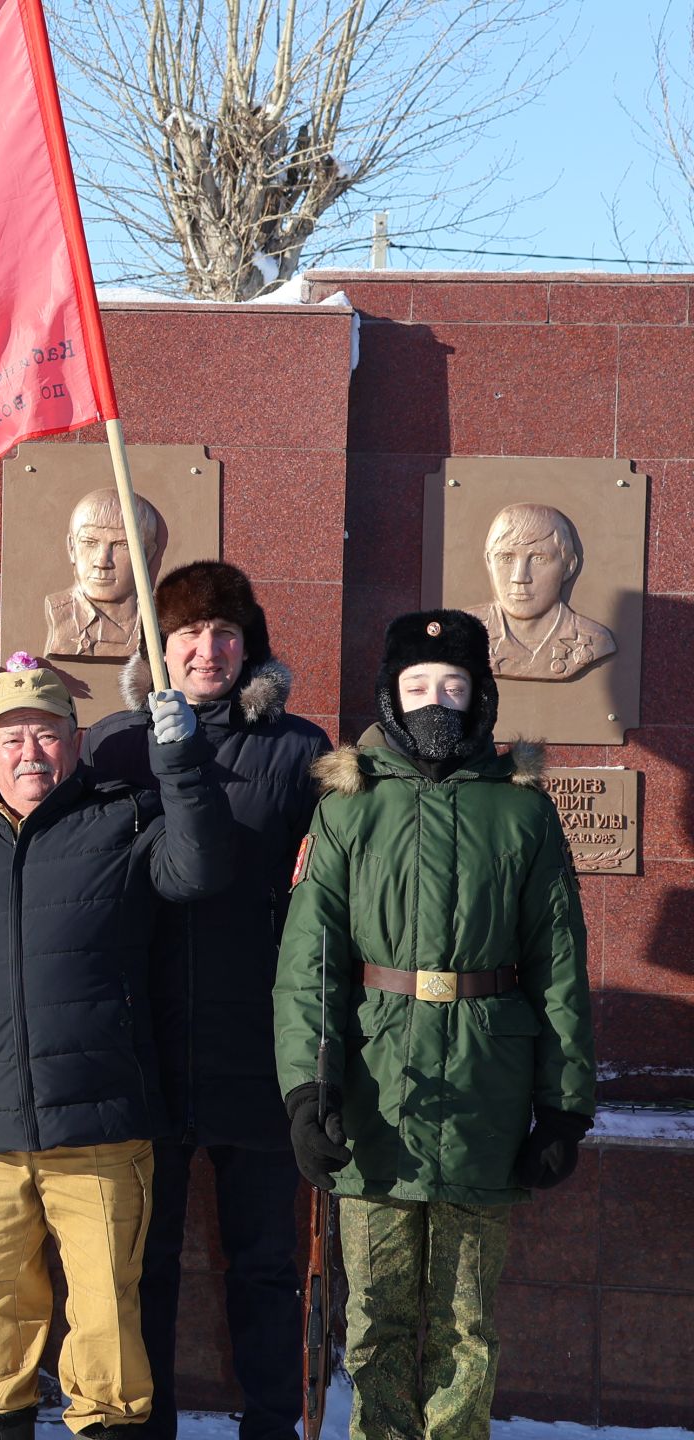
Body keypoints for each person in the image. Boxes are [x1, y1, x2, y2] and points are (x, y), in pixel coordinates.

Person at [0, 655, 231, 1440]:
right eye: (11, 737)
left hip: (103, 1125)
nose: (29, 751)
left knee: (108, 1327)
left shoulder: (127, 817)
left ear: (74, 741)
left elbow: (201, 869)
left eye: (46, 733)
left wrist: (182, 767)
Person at [274, 609, 594, 1440]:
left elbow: (559, 966)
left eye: (453, 686)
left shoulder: (522, 814)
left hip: (486, 1095)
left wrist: (564, 1107)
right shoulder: (348, 808)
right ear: (389, 695)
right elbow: (310, 964)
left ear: (481, 694)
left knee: (467, 1326)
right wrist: (310, 1092)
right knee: (376, 1322)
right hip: (378, 1098)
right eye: (417, 686)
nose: (435, 702)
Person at [81, 563, 328, 1440]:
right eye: (186, 632)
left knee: (264, 1263)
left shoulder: (299, 750)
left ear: (249, 644)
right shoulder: (113, 745)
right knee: (144, 1265)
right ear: (158, 645)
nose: (206, 649)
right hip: (144, 1047)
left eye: (226, 633)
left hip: (259, 1048)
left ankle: (270, 1423)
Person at [464, 501, 616, 680]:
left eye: (538, 559)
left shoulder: (595, 641)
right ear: (489, 562)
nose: (520, 577)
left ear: (568, 567)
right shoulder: (460, 633)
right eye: (506, 558)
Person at [43, 489, 169, 658]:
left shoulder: (162, 623)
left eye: (122, 545)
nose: (102, 562)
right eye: (89, 542)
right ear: (71, 548)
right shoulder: (59, 613)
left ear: (148, 554)